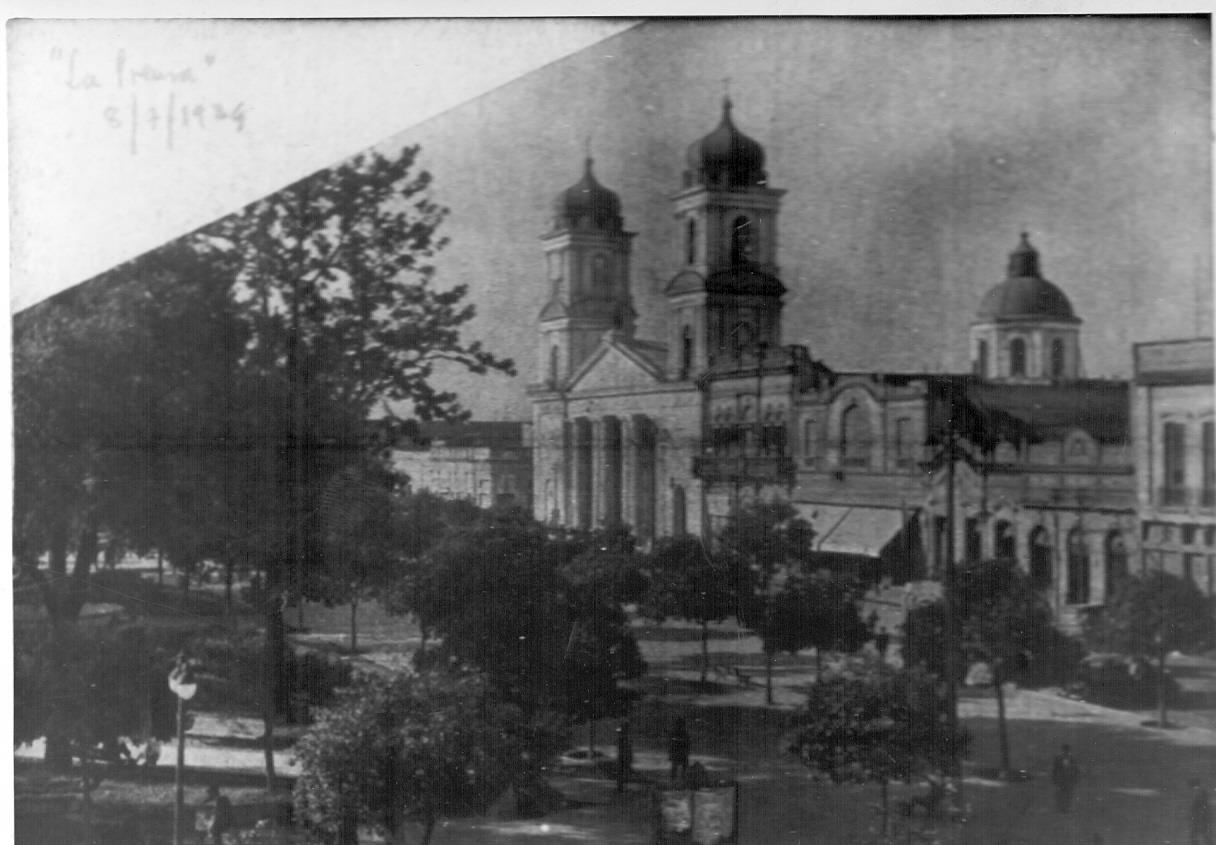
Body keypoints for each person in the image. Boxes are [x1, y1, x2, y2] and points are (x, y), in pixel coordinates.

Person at [1050, 743, 1080, 813]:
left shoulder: (1058, 757)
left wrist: (1054, 778)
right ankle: (1067, 807)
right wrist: (1076, 778)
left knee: (1061, 794)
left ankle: (1061, 807)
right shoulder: (1072, 758)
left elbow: (1054, 769)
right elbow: (1076, 769)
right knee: (1068, 794)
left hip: (1061, 778)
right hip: (1069, 779)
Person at [1190, 778, 1213, 845]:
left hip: (1201, 818)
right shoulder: (1201, 792)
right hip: (1202, 818)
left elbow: (1201, 806)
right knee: (1203, 836)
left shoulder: (1200, 793)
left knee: (1198, 836)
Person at [668, 717, 690, 784]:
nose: (680, 726)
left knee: (678, 769)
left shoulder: (681, 733)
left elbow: (671, 744)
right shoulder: (683, 733)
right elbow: (671, 744)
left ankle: (676, 781)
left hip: (680, 753)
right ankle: (677, 781)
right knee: (678, 769)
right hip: (679, 753)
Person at [615, 719, 633, 793]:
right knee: (624, 773)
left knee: (622, 773)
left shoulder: (623, 736)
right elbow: (628, 748)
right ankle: (622, 788)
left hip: (622, 756)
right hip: (623, 756)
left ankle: (621, 788)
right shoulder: (625, 737)